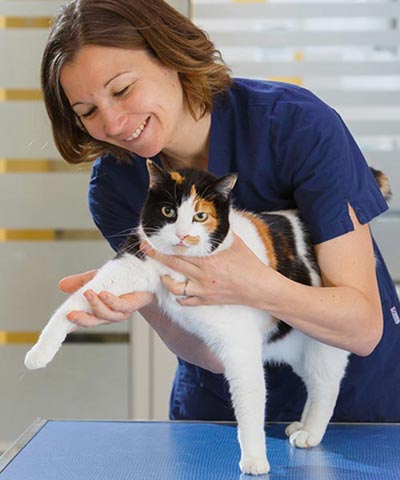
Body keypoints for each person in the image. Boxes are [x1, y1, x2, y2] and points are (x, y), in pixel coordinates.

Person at [42, 0, 400, 422]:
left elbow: (361, 328)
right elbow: (211, 355)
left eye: (122, 90)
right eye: (88, 112)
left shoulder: (295, 126)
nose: (115, 124)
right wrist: (150, 299)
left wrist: (251, 284)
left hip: (352, 409)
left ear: (170, 56)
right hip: (220, 416)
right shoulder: (116, 186)